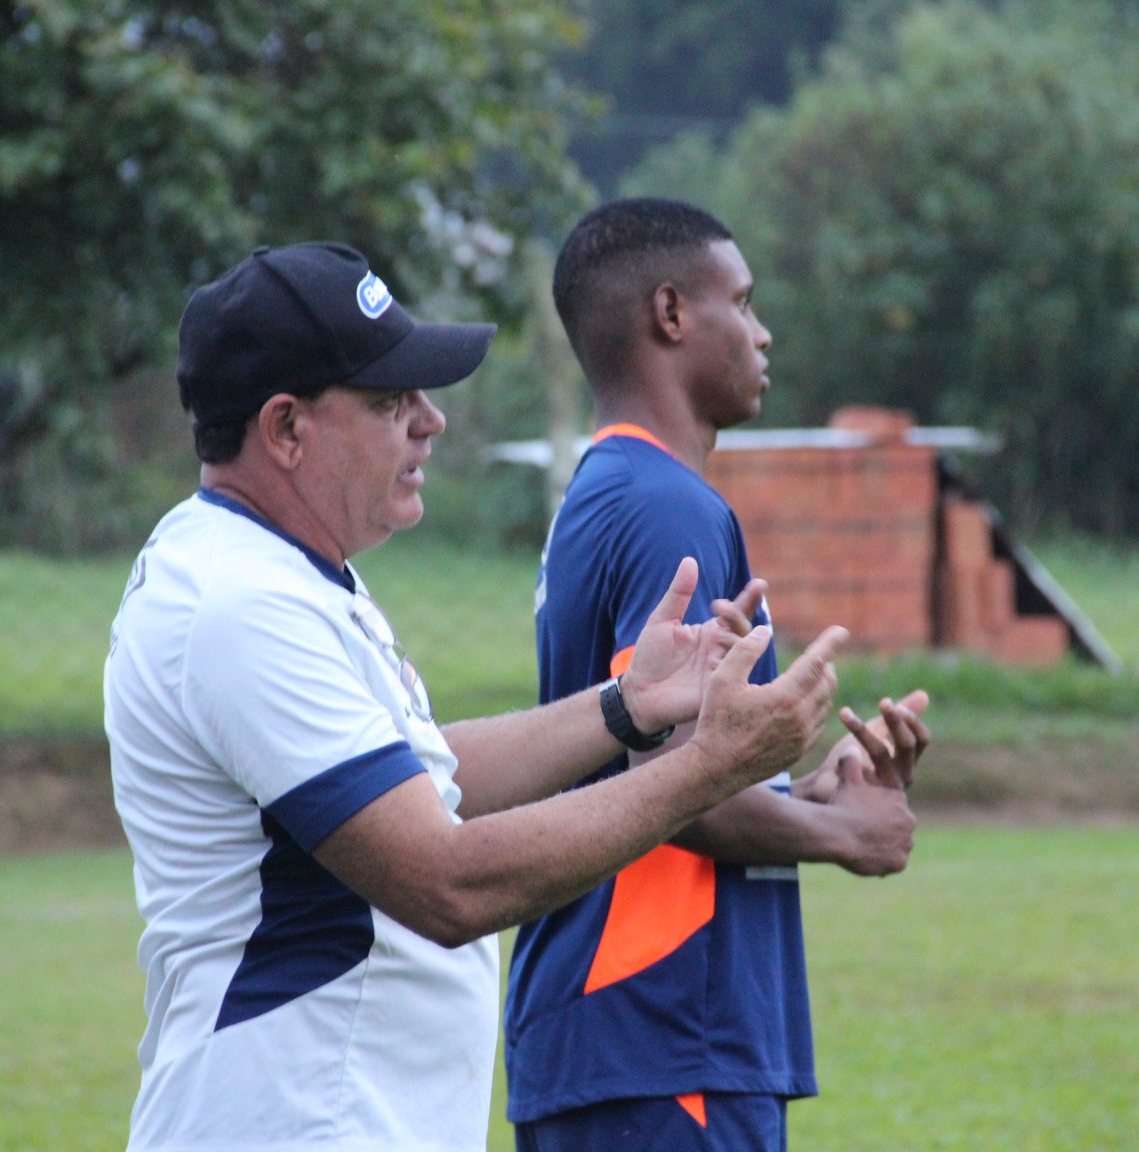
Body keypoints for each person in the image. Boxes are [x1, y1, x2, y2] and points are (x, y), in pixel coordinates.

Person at [102, 241, 895, 1152]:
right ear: (285, 429)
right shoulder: (241, 607)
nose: (430, 422)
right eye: (389, 401)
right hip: (297, 1120)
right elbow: (446, 881)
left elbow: (427, 777)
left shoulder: (289, 579)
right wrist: (710, 768)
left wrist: (623, 707)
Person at [502, 199, 932, 1151]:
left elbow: (659, 754)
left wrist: (796, 787)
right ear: (671, 315)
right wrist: (841, 833)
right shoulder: (667, 506)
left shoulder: (611, 489)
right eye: (742, 301)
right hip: (661, 1022)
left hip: (622, 1033)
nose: (763, 331)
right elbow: (671, 793)